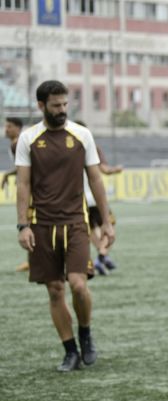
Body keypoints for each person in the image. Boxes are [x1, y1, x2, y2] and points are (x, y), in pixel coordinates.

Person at [15, 80, 115, 372]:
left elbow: (95, 179)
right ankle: (70, 351)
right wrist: (22, 226)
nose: (62, 110)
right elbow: (23, 185)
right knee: (55, 290)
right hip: (41, 224)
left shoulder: (82, 135)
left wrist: (106, 221)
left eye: (65, 104)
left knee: (78, 285)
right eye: (55, 105)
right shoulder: (28, 139)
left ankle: (85, 333)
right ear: (41, 105)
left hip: (75, 222)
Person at [74, 120, 122, 275]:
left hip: (78, 199)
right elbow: (104, 170)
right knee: (110, 226)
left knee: (91, 230)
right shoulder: (91, 148)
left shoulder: (65, 150)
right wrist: (115, 170)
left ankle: (103, 257)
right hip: (93, 197)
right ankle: (101, 256)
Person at [2, 116, 29, 272]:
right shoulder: (16, 143)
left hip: (31, 190)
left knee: (29, 222)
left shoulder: (18, 144)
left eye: (9, 126)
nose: (6, 129)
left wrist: (10, 175)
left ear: (18, 128)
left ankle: (34, 260)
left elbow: (24, 167)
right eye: (6, 126)